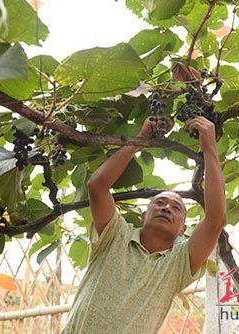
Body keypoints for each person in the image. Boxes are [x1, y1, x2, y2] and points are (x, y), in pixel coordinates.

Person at [62, 115, 227, 333]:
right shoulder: (115, 234)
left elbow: (215, 219)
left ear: (182, 230)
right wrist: (139, 140)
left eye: (176, 208)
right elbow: (97, 186)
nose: (167, 208)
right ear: (143, 216)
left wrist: (209, 149)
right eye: (159, 202)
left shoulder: (179, 263)